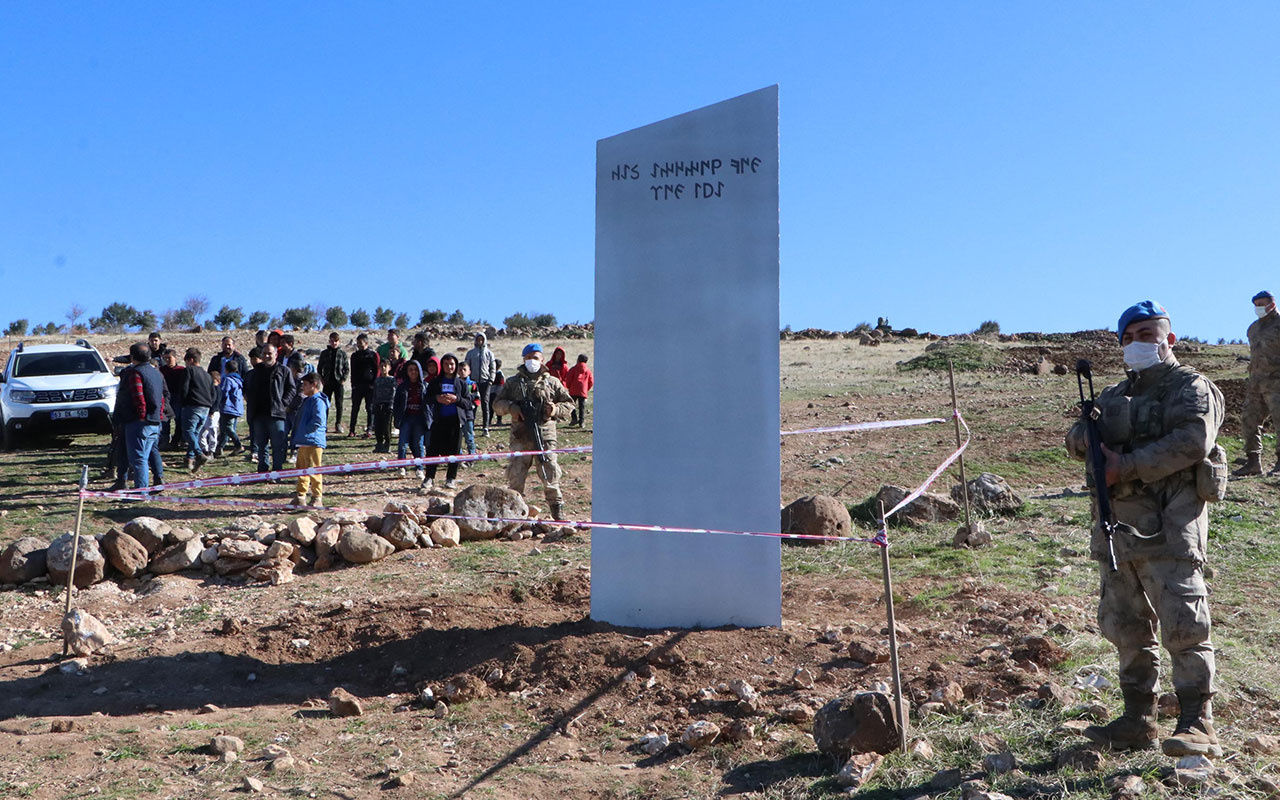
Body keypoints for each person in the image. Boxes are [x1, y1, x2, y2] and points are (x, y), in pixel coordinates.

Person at [1065, 301, 1225, 758]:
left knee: (1183, 625)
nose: (1139, 344)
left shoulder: (1192, 388)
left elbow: (1193, 441)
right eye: (1130, 337)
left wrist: (1126, 464)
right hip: (1117, 533)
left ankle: (1197, 723)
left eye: (1148, 334)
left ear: (1169, 339)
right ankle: (1137, 719)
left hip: (1170, 528)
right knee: (1126, 627)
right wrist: (1091, 436)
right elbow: (1074, 440)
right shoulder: (1111, 396)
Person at [493, 343, 575, 520]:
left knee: (549, 472)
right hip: (520, 435)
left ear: (542, 359)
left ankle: (556, 509)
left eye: (535, 357)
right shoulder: (513, 382)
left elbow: (569, 405)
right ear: (523, 359)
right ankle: (514, 512)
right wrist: (511, 407)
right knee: (516, 474)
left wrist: (554, 410)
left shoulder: (552, 382)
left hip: (544, 435)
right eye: (529, 357)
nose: (532, 361)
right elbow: (496, 405)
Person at [1235, 290, 1280, 476]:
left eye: (1262, 303)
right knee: (1249, 420)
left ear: (1272, 303)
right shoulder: (1252, 328)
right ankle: (1253, 463)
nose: (1258, 308)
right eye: (1256, 304)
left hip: (1277, 383)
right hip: (1256, 384)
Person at [114, 343, 166, 490]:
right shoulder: (157, 372)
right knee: (149, 453)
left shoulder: (135, 373)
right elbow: (161, 397)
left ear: (132, 357)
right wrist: (158, 415)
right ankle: (154, 483)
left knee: (139, 459)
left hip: (139, 422)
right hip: (155, 421)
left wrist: (142, 416)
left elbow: (139, 397)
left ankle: (141, 491)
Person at [249, 343, 298, 473]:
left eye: (269, 353)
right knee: (261, 446)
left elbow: (292, 389)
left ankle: (277, 472)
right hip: (258, 414)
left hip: (276, 414)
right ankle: (262, 471)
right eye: (264, 353)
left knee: (278, 445)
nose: (266, 356)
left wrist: (283, 404)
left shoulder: (284, 370)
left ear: (276, 355)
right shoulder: (256, 370)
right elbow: (248, 387)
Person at [423, 354, 470, 489]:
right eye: (446, 364)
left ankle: (451, 478)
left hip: (455, 422)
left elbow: (468, 403)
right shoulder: (436, 382)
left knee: (454, 451)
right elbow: (427, 399)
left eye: (452, 364)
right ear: (442, 366)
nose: (449, 367)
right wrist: (437, 398)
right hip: (438, 420)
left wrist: (456, 399)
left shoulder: (461, 383)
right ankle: (429, 478)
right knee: (432, 450)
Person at [290, 372, 329, 507]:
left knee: (314, 469)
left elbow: (318, 421)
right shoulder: (307, 400)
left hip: (313, 441)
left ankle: (317, 497)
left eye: (305, 385)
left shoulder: (318, 401)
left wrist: (306, 432)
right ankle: (300, 495)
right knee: (301, 469)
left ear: (314, 385)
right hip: (303, 441)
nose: (303, 388)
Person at [393, 359, 432, 481]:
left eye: (415, 370)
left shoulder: (425, 386)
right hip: (406, 418)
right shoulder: (402, 387)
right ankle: (401, 467)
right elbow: (396, 403)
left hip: (419, 419)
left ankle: (419, 468)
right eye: (410, 370)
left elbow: (429, 404)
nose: (413, 372)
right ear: (407, 372)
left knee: (418, 444)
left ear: (419, 371)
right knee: (402, 444)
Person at [180, 347, 216, 471]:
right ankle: (190, 459)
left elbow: (184, 388)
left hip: (192, 405)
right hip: (205, 407)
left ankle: (199, 454)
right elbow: (213, 393)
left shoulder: (189, 370)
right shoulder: (207, 375)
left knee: (188, 431)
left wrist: (182, 402)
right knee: (195, 434)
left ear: (190, 360)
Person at [318, 331, 350, 434]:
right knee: (325, 404)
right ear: (329, 341)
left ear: (339, 342)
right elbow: (319, 367)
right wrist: (322, 378)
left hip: (338, 382)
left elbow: (346, 368)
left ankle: (338, 424)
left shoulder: (342, 354)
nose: (334, 343)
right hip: (327, 382)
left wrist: (343, 379)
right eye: (332, 341)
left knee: (339, 404)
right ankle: (324, 424)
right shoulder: (325, 353)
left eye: (336, 341)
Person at [349, 333, 380, 437]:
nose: (359, 345)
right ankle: (352, 430)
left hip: (369, 386)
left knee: (370, 408)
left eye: (361, 343)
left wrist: (374, 383)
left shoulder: (373, 355)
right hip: (357, 386)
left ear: (366, 343)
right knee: (355, 408)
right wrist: (353, 384)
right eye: (358, 343)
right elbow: (352, 370)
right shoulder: (354, 356)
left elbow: (377, 370)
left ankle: (369, 429)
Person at [465, 333, 496, 434]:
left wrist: (491, 379)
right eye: (478, 339)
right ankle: (471, 427)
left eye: (481, 339)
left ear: (485, 340)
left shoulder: (489, 354)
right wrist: (467, 379)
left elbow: (493, 367)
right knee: (473, 404)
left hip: (485, 382)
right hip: (473, 382)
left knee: (485, 404)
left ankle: (485, 427)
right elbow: (466, 367)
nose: (479, 341)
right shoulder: (470, 353)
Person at [214, 359, 245, 457]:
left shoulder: (227, 380)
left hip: (228, 407)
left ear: (226, 369)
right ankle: (219, 448)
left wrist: (217, 401)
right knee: (223, 428)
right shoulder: (239, 380)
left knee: (227, 427)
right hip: (236, 407)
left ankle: (238, 445)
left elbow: (224, 393)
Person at [158, 349, 186, 451]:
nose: (167, 360)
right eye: (165, 358)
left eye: (169, 358)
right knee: (165, 420)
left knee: (179, 420)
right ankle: (165, 441)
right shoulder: (161, 370)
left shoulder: (181, 370)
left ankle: (177, 440)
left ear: (175, 358)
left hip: (177, 398)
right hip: (165, 398)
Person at [372, 357, 397, 453]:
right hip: (378, 405)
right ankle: (379, 444)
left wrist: (391, 405)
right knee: (378, 426)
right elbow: (374, 393)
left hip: (388, 405)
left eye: (385, 366)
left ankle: (387, 444)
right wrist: (373, 405)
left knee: (386, 426)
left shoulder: (392, 380)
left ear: (389, 368)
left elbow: (393, 393)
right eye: (381, 366)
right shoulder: (377, 380)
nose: (383, 368)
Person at [565, 354, 594, 427]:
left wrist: (568, 386)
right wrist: (587, 389)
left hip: (573, 390)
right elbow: (591, 381)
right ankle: (582, 422)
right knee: (582, 407)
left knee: (571, 405)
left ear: (578, 360)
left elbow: (568, 378)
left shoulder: (573, 369)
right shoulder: (588, 370)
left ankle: (574, 419)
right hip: (583, 390)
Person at [457, 361, 478, 455]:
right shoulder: (455, 383)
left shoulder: (472, 384)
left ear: (469, 371)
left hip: (468, 414)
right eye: (460, 369)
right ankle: (459, 456)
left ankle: (472, 456)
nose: (462, 371)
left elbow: (477, 398)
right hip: (457, 414)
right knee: (458, 437)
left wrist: (472, 406)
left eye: (464, 369)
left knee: (469, 435)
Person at [491, 358, 506, 426]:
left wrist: (498, 393)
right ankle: (489, 420)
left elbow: (501, 385)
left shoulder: (499, 374)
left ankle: (498, 420)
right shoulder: (494, 373)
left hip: (496, 393)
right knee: (491, 408)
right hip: (492, 392)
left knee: (497, 408)